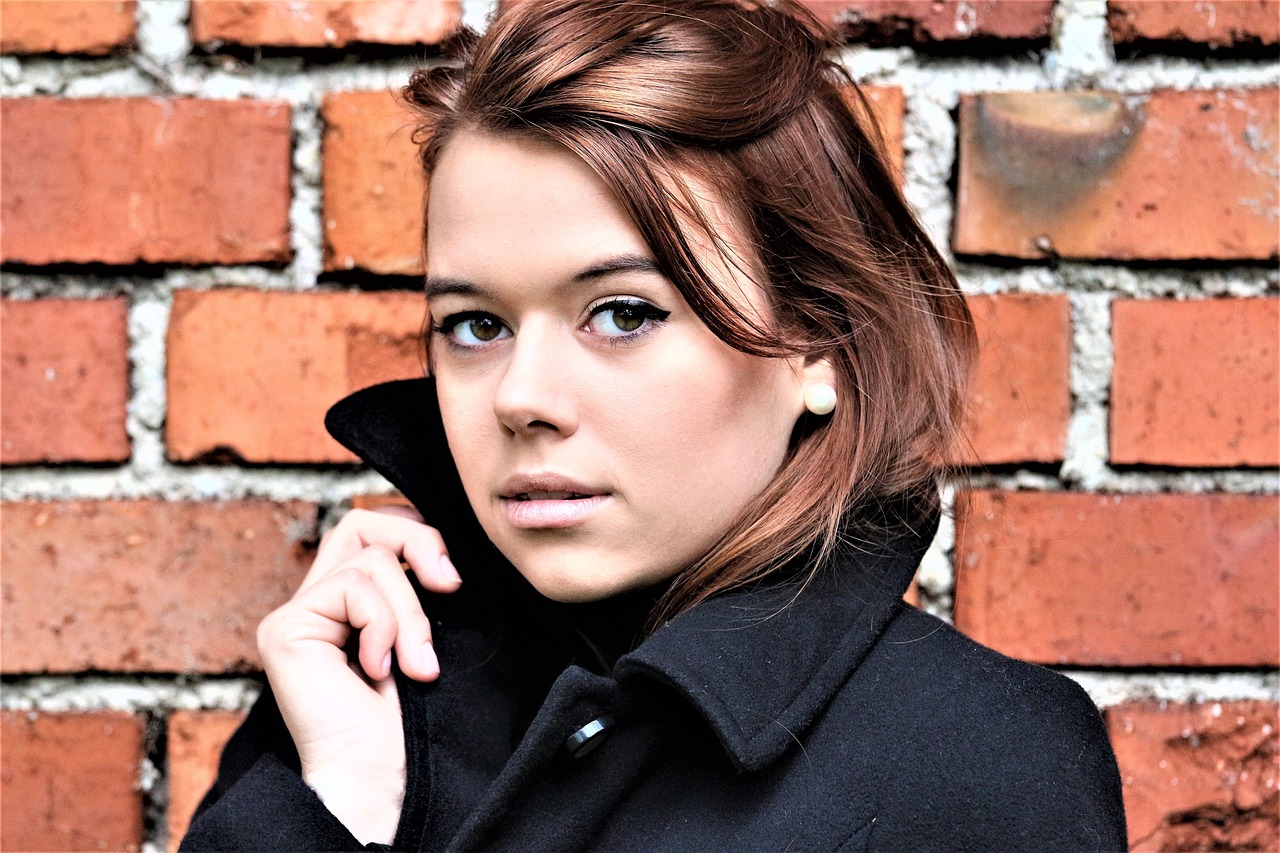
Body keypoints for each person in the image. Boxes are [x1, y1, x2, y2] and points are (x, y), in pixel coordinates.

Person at [182, 1, 1127, 850]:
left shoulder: (980, 761)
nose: (520, 397)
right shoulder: (361, 688)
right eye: (475, 325)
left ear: (819, 344)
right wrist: (346, 803)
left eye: (624, 314)